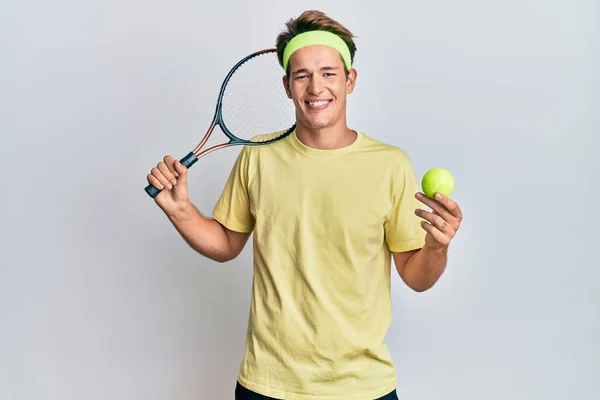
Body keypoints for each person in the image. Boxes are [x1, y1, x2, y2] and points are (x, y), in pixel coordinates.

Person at [145, 9, 463, 400]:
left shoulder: (391, 165)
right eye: (302, 75)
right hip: (267, 384)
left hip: (362, 388)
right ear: (286, 86)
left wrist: (437, 247)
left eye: (329, 73)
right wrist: (180, 210)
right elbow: (226, 244)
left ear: (350, 80)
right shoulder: (258, 156)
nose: (316, 88)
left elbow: (416, 276)